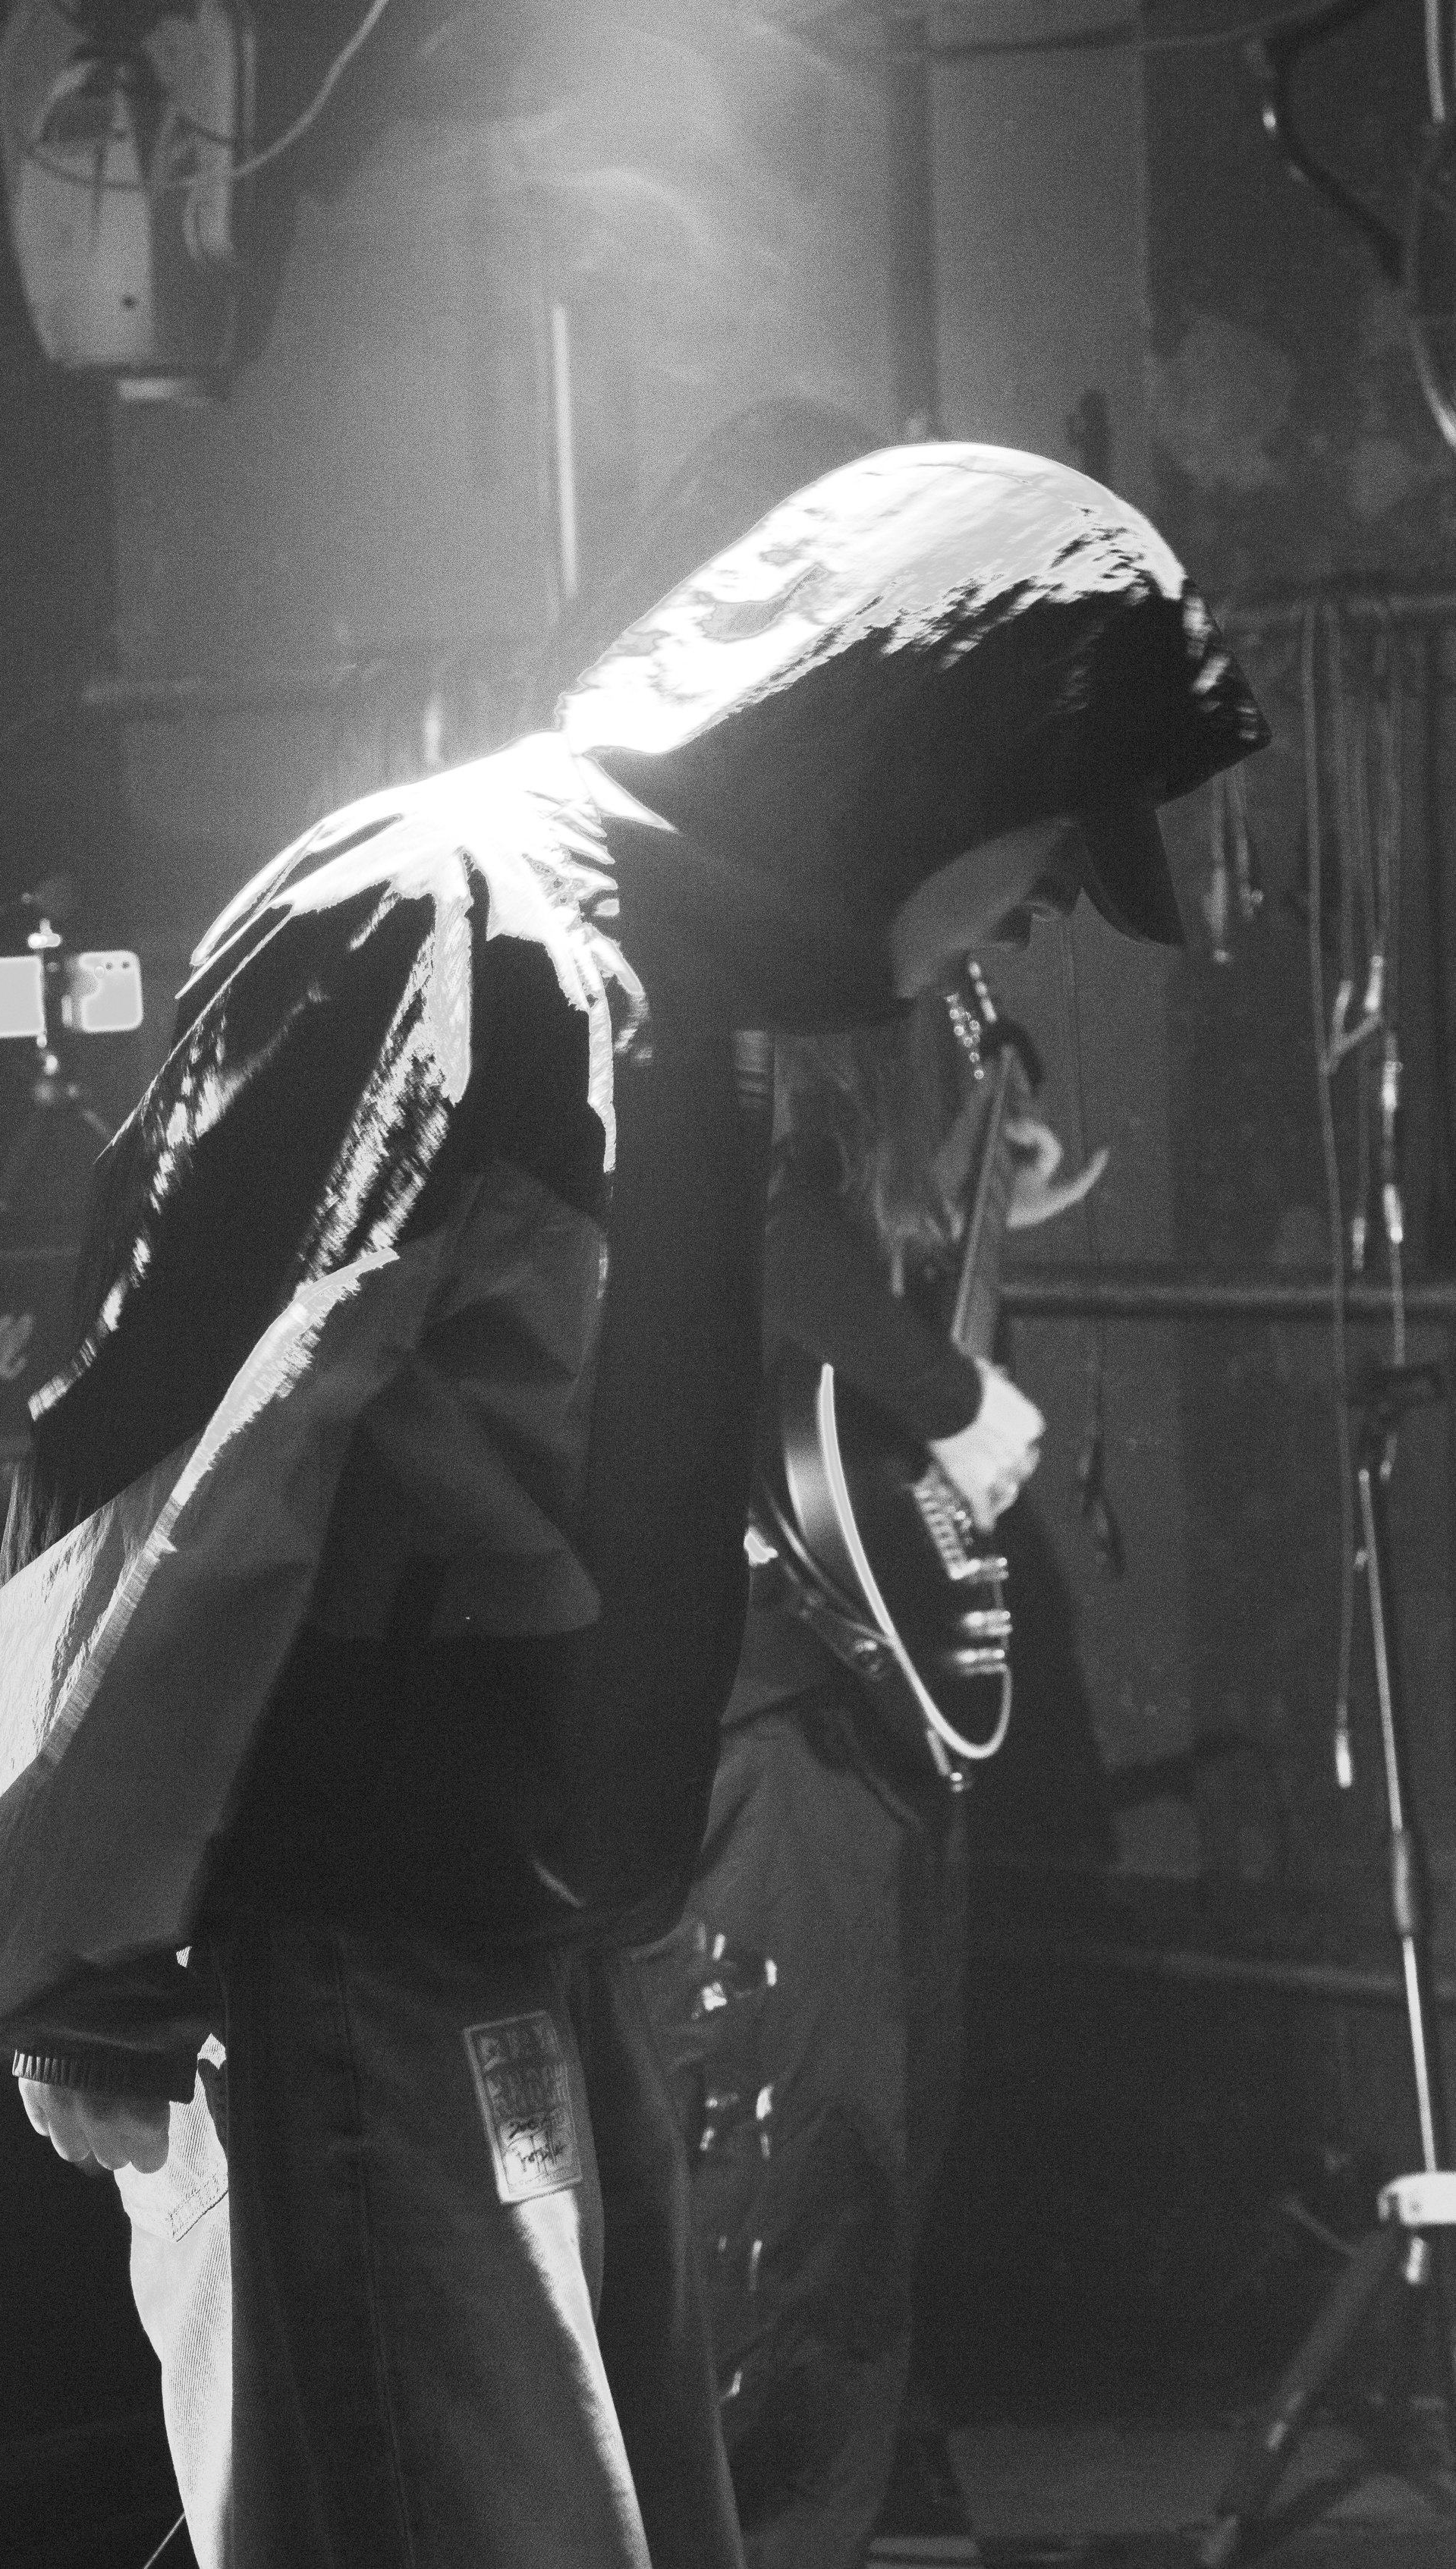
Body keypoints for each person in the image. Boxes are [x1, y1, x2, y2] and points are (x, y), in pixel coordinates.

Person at [0, 441, 1266, 2569]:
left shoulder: (659, 974)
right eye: (1041, 853)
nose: (1029, 916)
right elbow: (171, 1463)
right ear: (919, 758)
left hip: (520, 1942)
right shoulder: (451, 924)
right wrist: (68, 1942)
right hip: (350, 1949)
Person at [637, 995, 1095, 2569]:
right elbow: (766, 1237)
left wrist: (969, 1189)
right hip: (771, 1711)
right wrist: (956, 1399)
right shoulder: (757, 1056)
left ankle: (823, 2513)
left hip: (863, 1709)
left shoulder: (858, 1112)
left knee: (872, 2165)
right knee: (797, 2188)